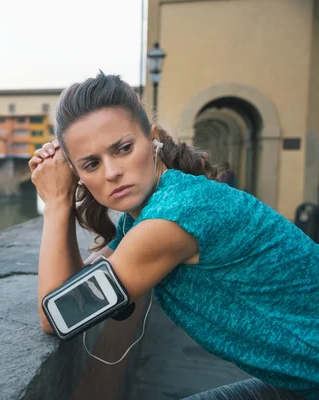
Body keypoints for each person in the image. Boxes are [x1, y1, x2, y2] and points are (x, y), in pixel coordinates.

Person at [28, 72, 319, 400]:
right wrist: (63, 198)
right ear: (77, 174)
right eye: (91, 164)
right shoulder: (145, 216)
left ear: (153, 139)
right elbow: (75, 287)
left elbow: (59, 315)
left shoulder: (174, 216)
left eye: (123, 148)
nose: (111, 172)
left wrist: (55, 203)